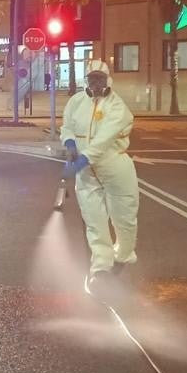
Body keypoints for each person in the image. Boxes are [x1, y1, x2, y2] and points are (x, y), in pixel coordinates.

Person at [60, 60, 138, 293]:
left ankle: (123, 255)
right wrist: (70, 143)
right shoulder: (76, 101)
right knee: (94, 219)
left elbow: (103, 141)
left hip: (114, 167)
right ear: (86, 80)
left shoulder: (117, 107)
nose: (95, 83)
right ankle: (101, 266)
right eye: (91, 79)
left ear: (108, 80)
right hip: (86, 172)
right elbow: (67, 126)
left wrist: (81, 160)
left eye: (99, 79)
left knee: (124, 216)